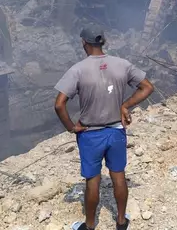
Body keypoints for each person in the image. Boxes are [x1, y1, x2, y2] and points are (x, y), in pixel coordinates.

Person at [54, 25, 154, 230]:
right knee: (118, 175)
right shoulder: (122, 64)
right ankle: (120, 221)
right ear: (103, 42)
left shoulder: (78, 69)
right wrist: (125, 105)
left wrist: (71, 127)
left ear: (84, 43)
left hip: (90, 134)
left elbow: (59, 104)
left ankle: (90, 226)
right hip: (116, 131)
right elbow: (147, 87)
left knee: (93, 181)